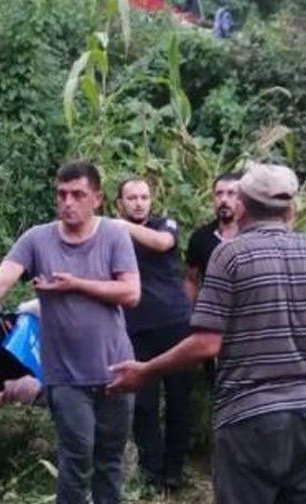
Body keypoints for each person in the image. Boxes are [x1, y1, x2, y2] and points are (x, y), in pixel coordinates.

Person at [109, 163, 306, 504]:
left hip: (248, 416)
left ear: (241, 206)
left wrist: (146, 370)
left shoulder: (230, 254)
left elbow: (208, 343)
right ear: (291, 208)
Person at [0, 161, 140, 504]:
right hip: (65, 375)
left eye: (77, 194)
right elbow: (2, 279)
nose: (68, 202)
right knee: (76, 460)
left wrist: (75, 285)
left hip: (116, 370)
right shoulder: (38, 239)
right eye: (61, 194)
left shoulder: (113, 234)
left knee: (109, 462)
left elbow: (130, 292)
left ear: (96, 198)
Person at [114, 177, 191, 491]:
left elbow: (162, 244)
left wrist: (117, 226)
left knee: (178, 402)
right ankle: (151, 474)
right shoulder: (113, 235)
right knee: (143, 406)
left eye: (144, 196)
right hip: (136, 331)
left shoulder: (164, 225)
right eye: (131, 197)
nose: (138, 202)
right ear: (120, 202)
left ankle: (174, 471)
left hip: (176, 326)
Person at [184, 172, 241, 303]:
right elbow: (191, 280)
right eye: (219, 194)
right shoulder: (201, 237)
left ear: (242, 198)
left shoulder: (253, 236)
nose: (224, 200)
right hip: (212, 316)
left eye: (231, 193)